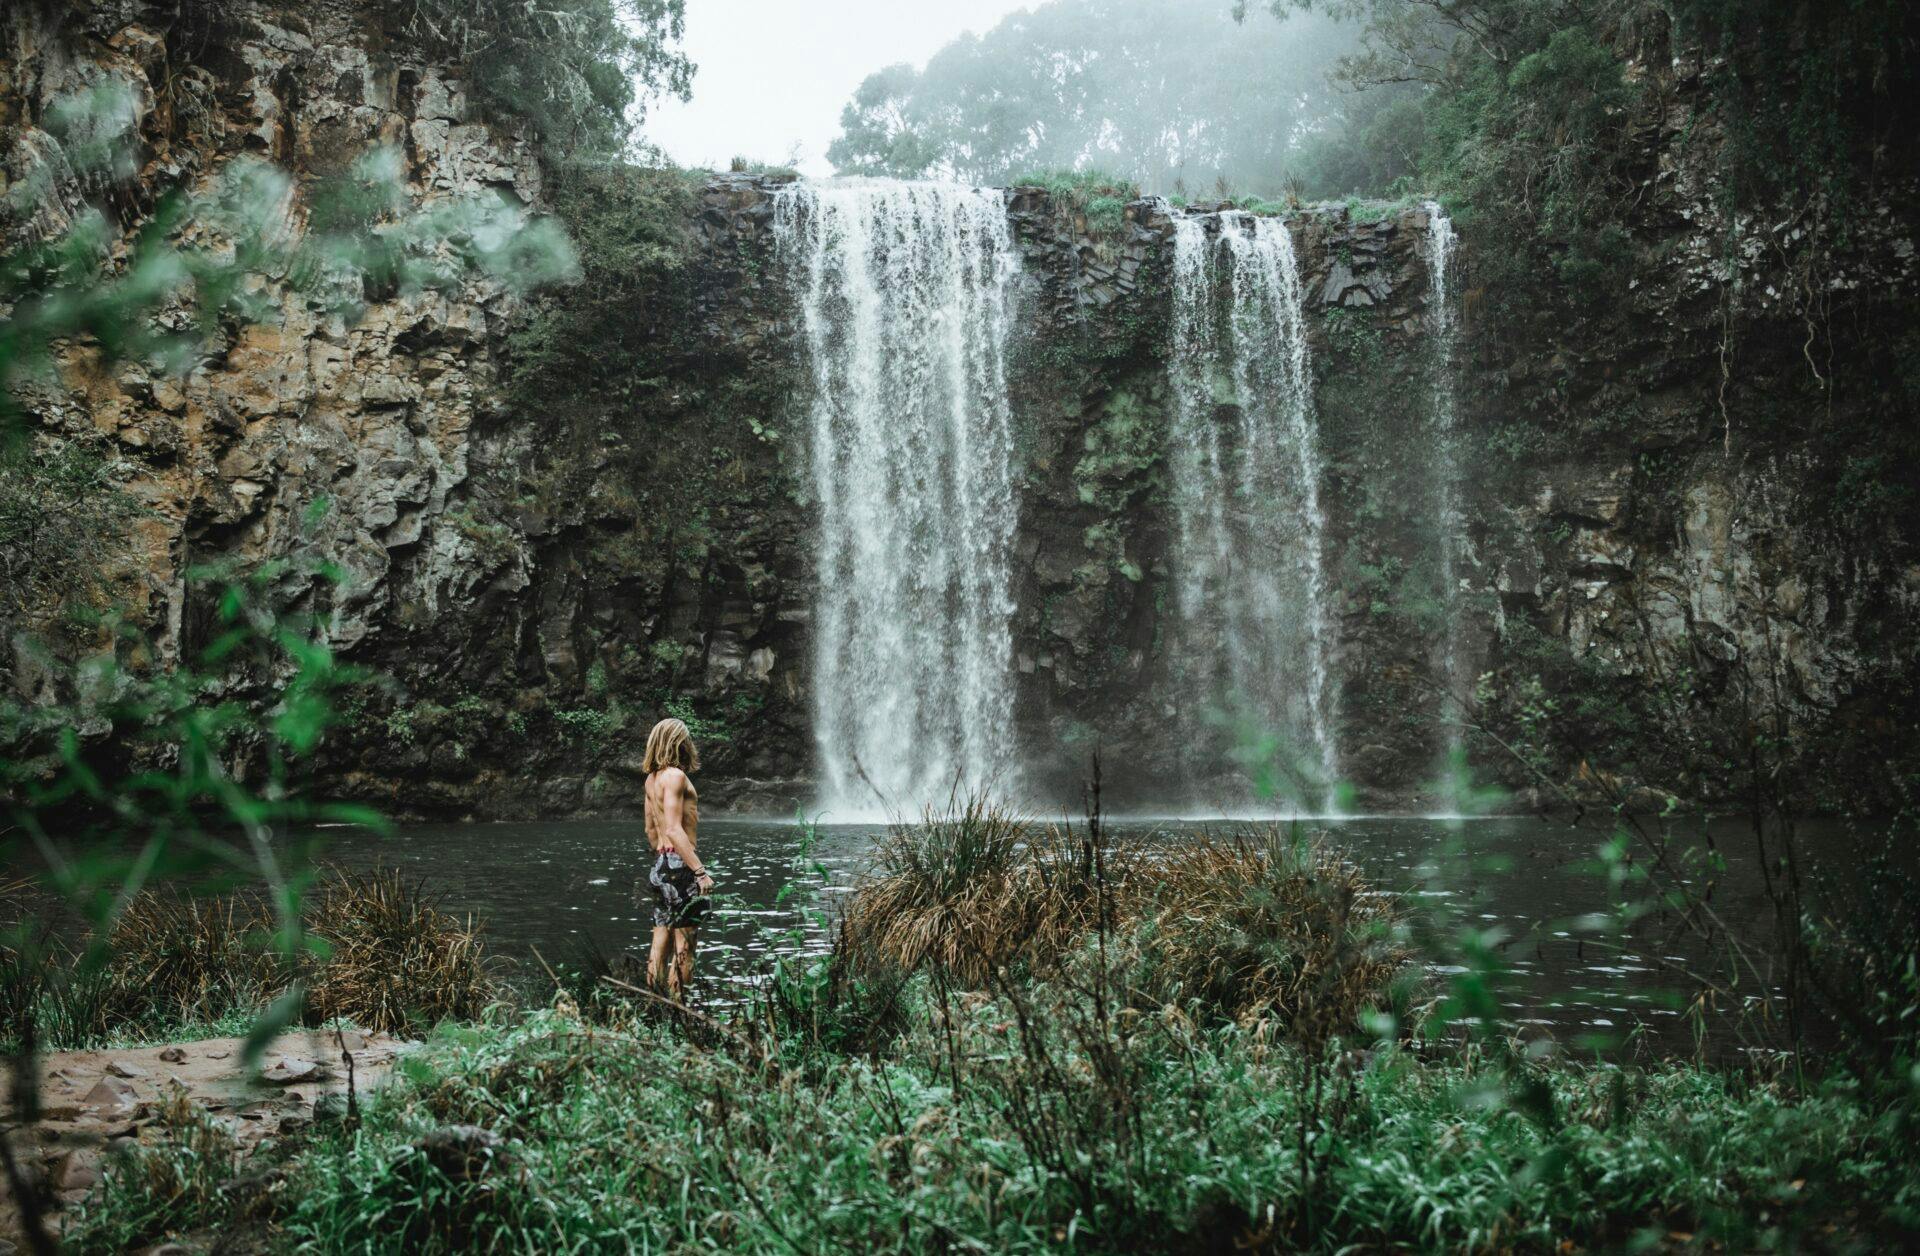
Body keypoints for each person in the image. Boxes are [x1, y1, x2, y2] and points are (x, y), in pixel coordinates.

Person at [640, 717, 715, 997]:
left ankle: (653, 1005)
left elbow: (651, 828)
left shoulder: (652, 779)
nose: (689, 744)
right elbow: (673, 828)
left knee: (660, 937)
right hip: (680, 865)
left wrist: (663, 862)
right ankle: (679, 1010)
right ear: (678, 743)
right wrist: (699, 871)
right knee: (685, 943)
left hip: (660, 864)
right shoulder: (675, 777)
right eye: (686, 739)